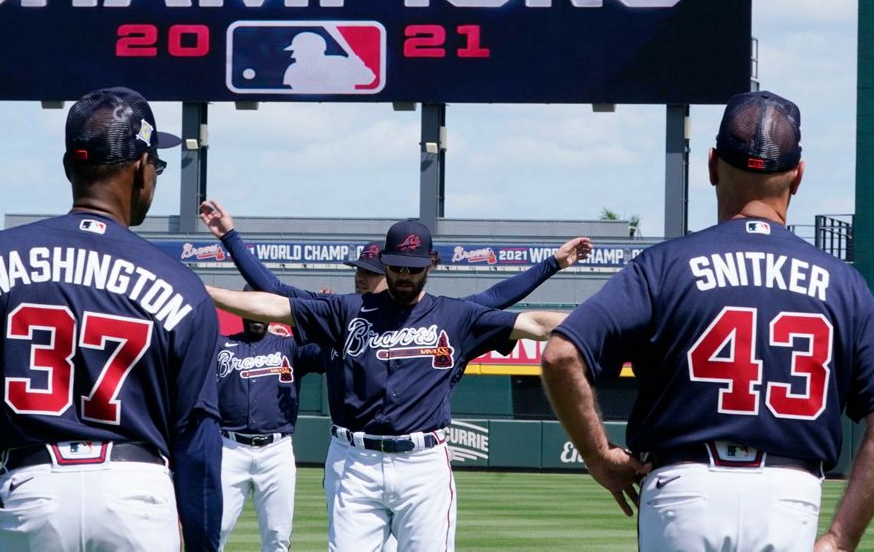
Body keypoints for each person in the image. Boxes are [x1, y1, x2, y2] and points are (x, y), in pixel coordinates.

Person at [541, 90, 874, 552]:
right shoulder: (842, 283)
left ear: (713, 165)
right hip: (787, 497)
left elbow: (561, 355)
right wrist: (840, 538)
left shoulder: (664, 266)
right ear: (797, 176)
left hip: (683, 490)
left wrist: (597, 456)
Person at [0, 87, 222, 552]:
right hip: (137, 494)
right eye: (156, 164)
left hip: (32, 493)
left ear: (67, 167)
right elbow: (197, 438)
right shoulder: (181, 284)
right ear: (140, 168)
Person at [198, 198, 592, 544]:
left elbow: (535, 322)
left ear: (430, 264)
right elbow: (273, 301)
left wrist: (614, 320)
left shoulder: (454, 316)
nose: (405, 275)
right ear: (386, 262)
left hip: (423, 465)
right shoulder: (348, 311)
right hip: (354, 461)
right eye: (397, 266)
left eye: (414, 267)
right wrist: (198, 287)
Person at [216, 309, 326, 551]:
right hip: (230, 448)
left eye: (262, 309)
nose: (257, 316)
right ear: (240, 312)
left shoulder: (288, 346)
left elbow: (323, 355)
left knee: (278, 533)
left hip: (276, 450)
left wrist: (313, 319)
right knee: (216, 528)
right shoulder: (223, 345)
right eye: (250, 310)